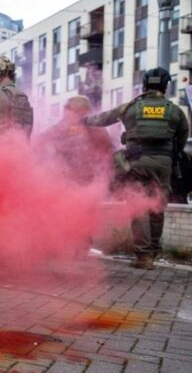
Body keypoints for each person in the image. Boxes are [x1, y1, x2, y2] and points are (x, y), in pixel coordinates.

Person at [83, 67, 189, 269]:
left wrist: (83, 121)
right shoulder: (174, 110)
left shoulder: (131, 107)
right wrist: (169, 153)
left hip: (138, 161)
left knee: (139, 206)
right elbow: (182, 137)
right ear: (166, 86)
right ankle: (154, 252)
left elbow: (103, 119)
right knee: (157, 207)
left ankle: (143, 257)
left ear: (145, 84)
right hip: (164, 163)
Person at [37, 95, 114, 185]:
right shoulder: (98, 129)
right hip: (76, 182)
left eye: (68, 110)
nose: (65, 113)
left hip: (80, 182)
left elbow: (108, 155)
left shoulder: (97, 130)